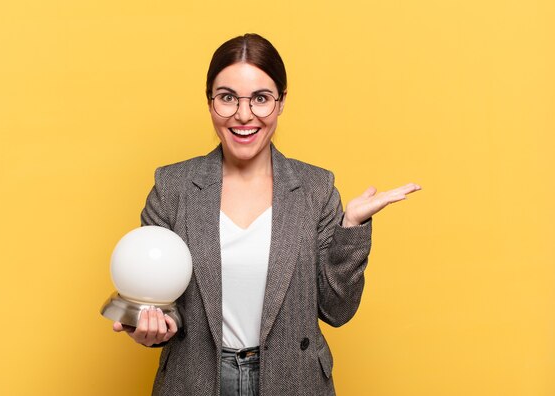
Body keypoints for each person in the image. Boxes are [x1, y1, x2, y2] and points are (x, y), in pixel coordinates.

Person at [112, 33, 421, 395]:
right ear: (210, 100)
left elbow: (337, 310)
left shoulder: (316, 189)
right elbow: (152, 296)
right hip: (196, 380)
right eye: (227, 98)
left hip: (293, 379)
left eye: (260, 98)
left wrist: (350, 228)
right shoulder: (173, 186)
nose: (244, 115)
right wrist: (148, 327)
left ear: (281, 102)